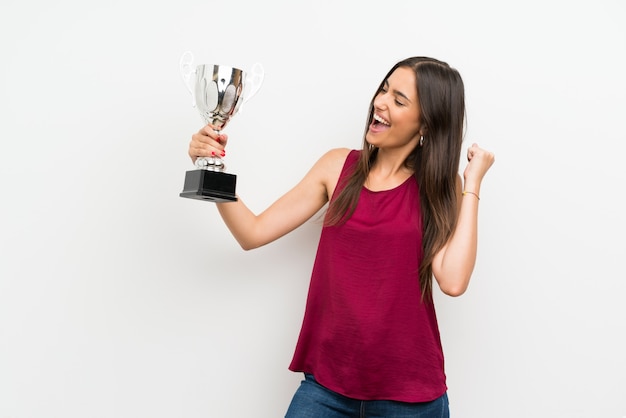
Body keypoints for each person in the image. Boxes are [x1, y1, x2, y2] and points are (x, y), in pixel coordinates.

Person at [187, 56, 495, 418]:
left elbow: (453, 280)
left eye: (399, 100)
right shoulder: (337, 168)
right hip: (327, 388)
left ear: (426, 122)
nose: (380, 103)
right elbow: (251, 233)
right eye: (384, 89)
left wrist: (471, 184)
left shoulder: (437, 189)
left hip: (411, 397)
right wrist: (213, 168)